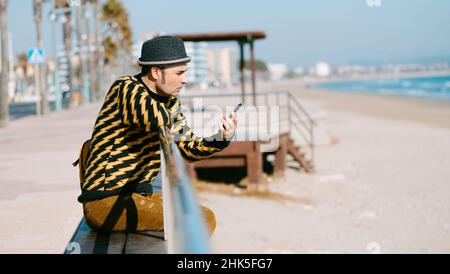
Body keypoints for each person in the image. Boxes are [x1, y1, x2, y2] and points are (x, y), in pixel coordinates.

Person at [77, 36, 237, 235]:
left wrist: (221, 137)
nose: (185, 80)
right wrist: (171, 111)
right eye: (179, 73)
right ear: (155, 72)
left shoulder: (169, 102)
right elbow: (153, 116)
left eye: (185, 72)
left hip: (136, 195)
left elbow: (188, 149)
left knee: (201, 214)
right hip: (105, 201)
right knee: (201, 220)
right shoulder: (126, 88)